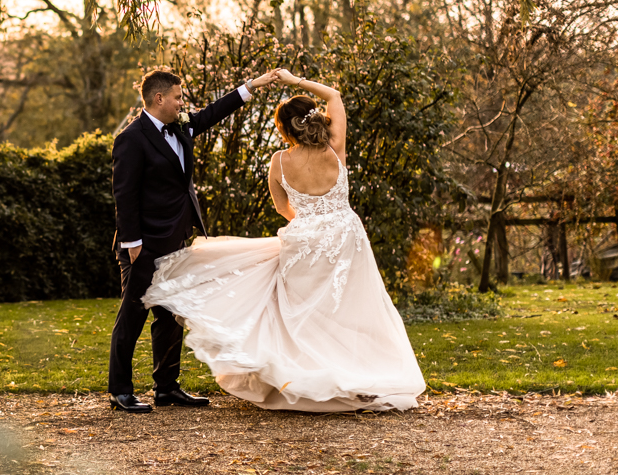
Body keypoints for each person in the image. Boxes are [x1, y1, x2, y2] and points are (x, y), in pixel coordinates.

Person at [141, 68, 425, 412]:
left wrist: (310, 225)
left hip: (303, 243)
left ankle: (307, 377)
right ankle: (358, 375)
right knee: (350, 311)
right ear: (313, 120)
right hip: (346, 239)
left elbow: (283, 208)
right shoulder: (335, 149)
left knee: (303, 316)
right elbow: (334, 95)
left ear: (285, 130)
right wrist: (294, 81)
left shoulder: (279, 162)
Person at [107, 67, 281, 413]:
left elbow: (213, 113)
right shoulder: (132, 138)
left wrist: (250, 87)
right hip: (143, 245)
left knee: (171, 315)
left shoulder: (182, 126)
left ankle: (167, 387)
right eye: (178, 97)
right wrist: (132, 244)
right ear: (160, 99)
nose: (182, 103)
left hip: (177, 240)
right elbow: (124, 194)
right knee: (133, 315)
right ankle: (120, 390)